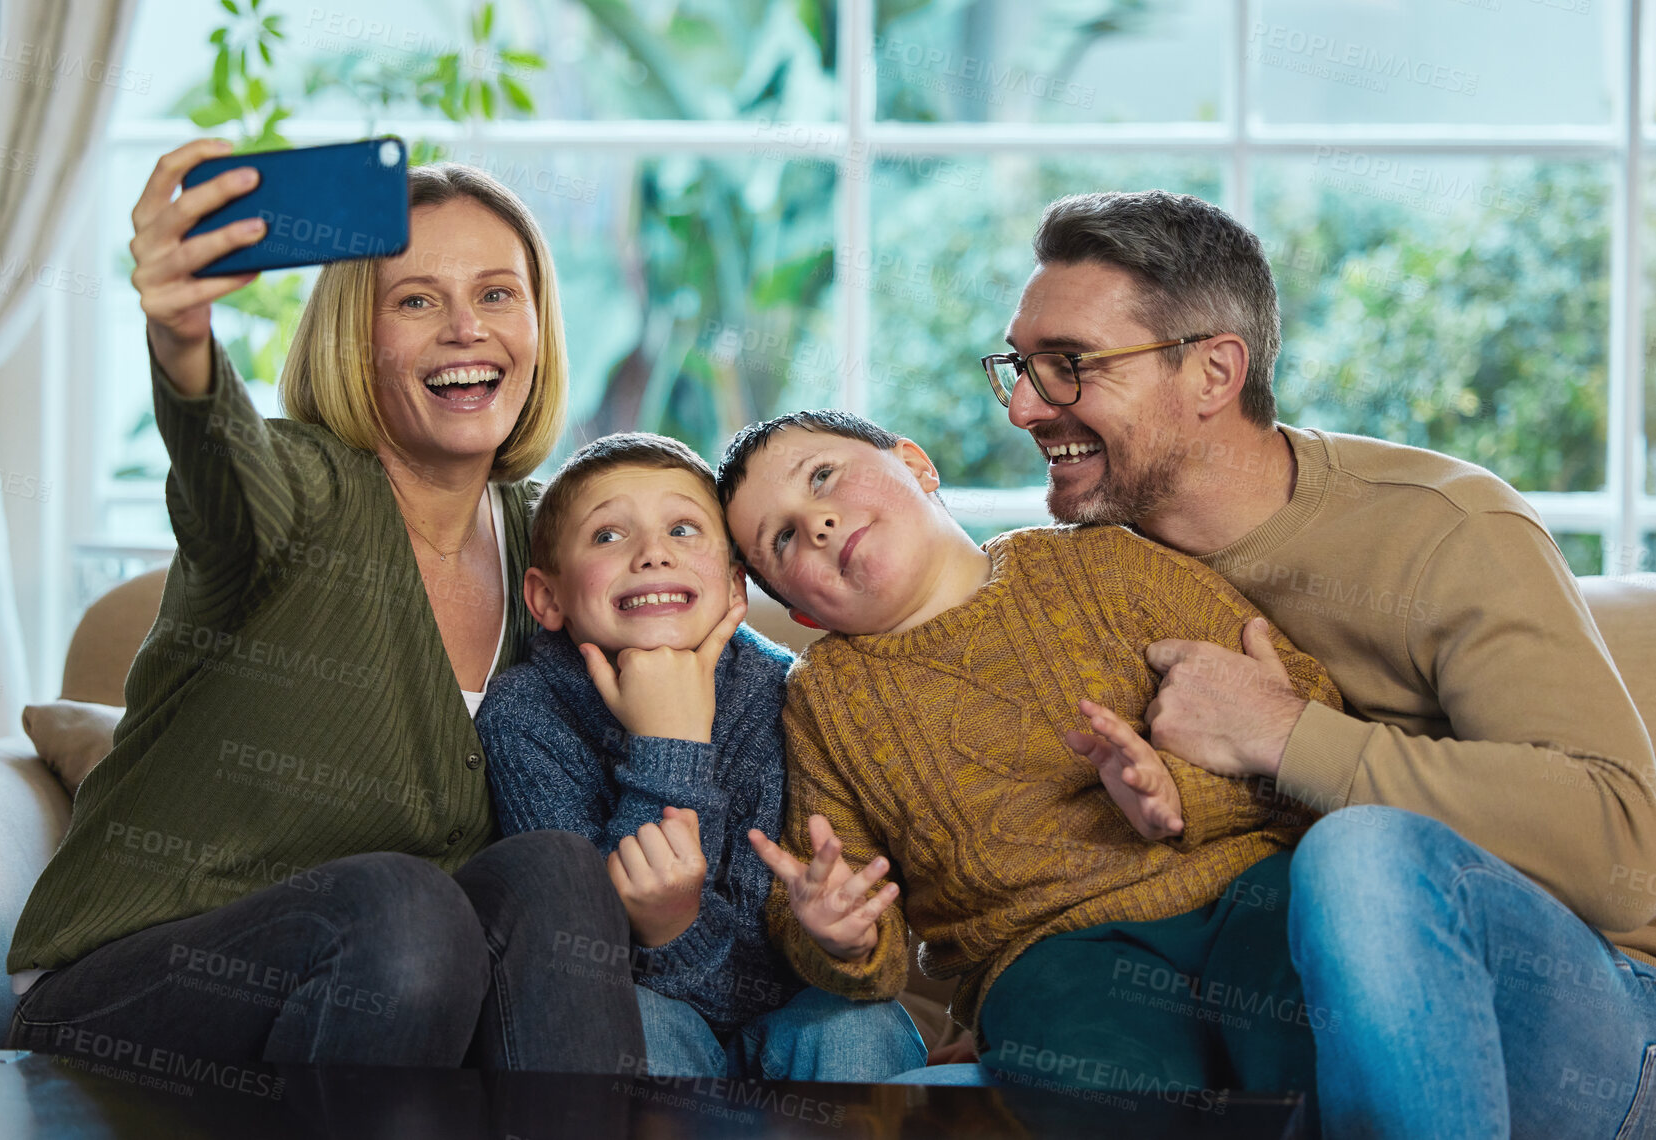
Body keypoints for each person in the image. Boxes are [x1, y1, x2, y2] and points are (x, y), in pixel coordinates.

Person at [994, 188, 1656, 1137]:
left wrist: (1283, 735)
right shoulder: (1072, 584)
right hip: (1289, 1018)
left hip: (1590, 1030)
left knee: (1358, 854)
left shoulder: (1443, 529)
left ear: (1213, 371)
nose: (1024, 407)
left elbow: (1622, 841)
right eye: (1018, 367)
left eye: (1069, 367)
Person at [5, 139, 644, 1072]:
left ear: (539, 325)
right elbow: (223, 469)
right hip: (132, 996)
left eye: (497, 294)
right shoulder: (298, 488)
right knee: (409, 907)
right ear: (356, 336)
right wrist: (182, 339)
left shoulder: (547, 543)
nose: (466, 327)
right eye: (416, 299)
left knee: (554, 872)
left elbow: (697, 597)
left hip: (379, 1007)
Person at [714, 408, 1343, 1100]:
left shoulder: (1104, 562)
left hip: (1244, 887)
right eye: (781, 538)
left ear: (916, 463)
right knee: (1100, 1082)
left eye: (823, 477)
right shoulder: (823, 703)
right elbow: (838, 891)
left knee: (1316, 1027)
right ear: (800, 611)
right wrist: (838, 934)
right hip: (1049, 953)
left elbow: (1311, 714)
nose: (817, 523)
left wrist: (1181, 792)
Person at [477, 432, 927, 1080]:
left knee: (860, 1027)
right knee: (643, 1025)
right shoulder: (526, 715)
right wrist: (670, 747)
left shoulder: (789, 693)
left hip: (786, 1010)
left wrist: (834, 933)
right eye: (608, 536)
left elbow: (792, 949)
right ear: (547, 597)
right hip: (642, 1007)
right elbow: (580, 962)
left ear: (735, 585)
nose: (652, 555)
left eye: (683, 530)